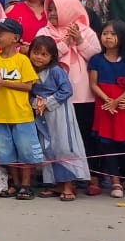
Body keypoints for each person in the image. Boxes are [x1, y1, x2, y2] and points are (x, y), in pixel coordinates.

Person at [36, 0, 103, 195]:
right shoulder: (44, 31)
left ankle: (89, 178)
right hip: (52, 95)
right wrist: (66, 42)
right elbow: (44, 57)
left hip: (82, 93)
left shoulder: (86, 30)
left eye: (57, 9)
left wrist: (80, 40)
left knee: (81, 136)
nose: (52, 14)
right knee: (55, 139)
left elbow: (95, 56)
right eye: (49, 9)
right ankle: (59, 181)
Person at [0, 18, 41, 199]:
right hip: (0, 114)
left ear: (15, 38)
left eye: (0, 33)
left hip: (21, 114)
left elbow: (29, 86)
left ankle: (26, 184)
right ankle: (14, 183)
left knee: (26, 151)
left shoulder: (22, 60)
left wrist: (4, 83)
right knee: (6, 152)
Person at [89, 20, 125, 199]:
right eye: (105, 33)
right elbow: (93, 84)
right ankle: (115, 183)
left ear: (121, 37)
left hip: (124, 106)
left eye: (113, 34)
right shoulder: (96, 59)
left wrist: (117, 101)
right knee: (108, 145)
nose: (108, 37)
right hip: (104, 106)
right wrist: (107, 100)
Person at [27, 35, 88, 200]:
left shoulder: (56, 71)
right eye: (36, 52)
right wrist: (36, 103)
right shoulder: (28, 71)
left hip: (59, 113)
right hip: (41, 114)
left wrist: (47, 102)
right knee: (48, 147)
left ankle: (69, 184)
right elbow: (28, 93)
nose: (38, 57)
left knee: (64, 146)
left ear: (52, 57)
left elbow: (66, 90)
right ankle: (55, 184)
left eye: (44, 54)